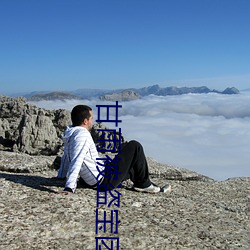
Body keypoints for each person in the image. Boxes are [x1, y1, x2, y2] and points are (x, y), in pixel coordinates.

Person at [57, 104, 171, 194]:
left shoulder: (71, 133)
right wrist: (69, 187)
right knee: (135, 146)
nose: (93, 121)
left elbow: (67, 156)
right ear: (85, 121)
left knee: (129, 160)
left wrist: (61, 176)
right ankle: (144, 185)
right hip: (103, 181)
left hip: (92, 178)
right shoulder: (82, 135)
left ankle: (143, 182)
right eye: (91, 118)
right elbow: (77, 159)